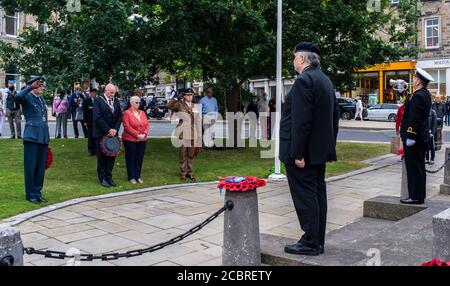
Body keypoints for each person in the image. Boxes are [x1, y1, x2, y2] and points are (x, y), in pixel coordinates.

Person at [279, 42, 338, 256]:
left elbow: (301, 121)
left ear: (302, 59)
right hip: (318, 151)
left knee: (306, 197)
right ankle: (316, 240)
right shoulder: (324, 80)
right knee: (317, 195)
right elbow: (334, 119)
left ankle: (310, 242)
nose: (293, 61)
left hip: (304, 154)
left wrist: (298, 153)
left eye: (295, 57)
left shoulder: (304, 80)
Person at [400, 67, 433, 205]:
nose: (413, 80)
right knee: (418, 167)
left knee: (414, 168)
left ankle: (415, 196)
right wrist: (403, 92)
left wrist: (411, 136)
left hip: (415, 138)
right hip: (420, 137)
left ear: (419, 81)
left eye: (414, 78)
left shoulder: (418, 96)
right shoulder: (424, 94)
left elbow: (415, 117)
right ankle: (418, 196)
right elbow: (410, 105)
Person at [15, 77, 50, 203]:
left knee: (40, 168)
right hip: (32, 136)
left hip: (42, 136)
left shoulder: (41, 99)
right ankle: (30, 194)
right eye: (39, 85)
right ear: (33, 86)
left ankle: (37, 192)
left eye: (42, 85)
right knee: (30, 167)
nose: (42, 87)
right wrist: (29, 87)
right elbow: (18, 97)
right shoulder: (27, 96)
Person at [167, 88, 202, 182]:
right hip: (182, 132)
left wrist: (199, 134)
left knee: (191, 155)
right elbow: (169, 106)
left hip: (192, 132)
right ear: (184, 96)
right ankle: (183, 173)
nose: (190, 96)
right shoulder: (179, 104)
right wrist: (176, 98)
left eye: (191, 95)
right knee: (183, 154)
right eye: (187, 95)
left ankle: (190, 173)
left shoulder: (195, 106)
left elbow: (198, 120)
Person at [93, 83, 123, 188]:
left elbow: (119, 117)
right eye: (111, 92)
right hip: (101, 133)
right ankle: (102, 178)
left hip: (113, 134)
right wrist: (108, 129)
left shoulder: (116, 101)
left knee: (111, 156)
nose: (113, 94)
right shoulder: (98, 100)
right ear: (106, 90)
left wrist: (115, 129)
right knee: (102, 157)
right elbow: (97, 117)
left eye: (114, 93)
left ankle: (109, 177)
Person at [122, 96, 150, 184]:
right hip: (130, 140)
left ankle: (138, 176)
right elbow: (127, 127)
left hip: (142, 139)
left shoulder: (142, 112)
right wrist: (137, 135)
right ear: (131, 103)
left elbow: (147, 125)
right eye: (136, 102)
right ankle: (131, 176)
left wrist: (144, 134)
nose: (138, 104)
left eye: (139, 102)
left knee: (139, 158)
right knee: (131, 158)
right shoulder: (126, 113)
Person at [83, 87, 98, 156]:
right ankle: (90, 150)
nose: (94, 94)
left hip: (97, 122)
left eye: (95, 93)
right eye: (92, 93)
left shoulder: (98, 101)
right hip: (89, 122)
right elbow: (85, 112)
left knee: (96, 136)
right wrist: (85, 122)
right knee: (90, 136)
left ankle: (96, 150)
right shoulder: (87, 101)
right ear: (90, 93)